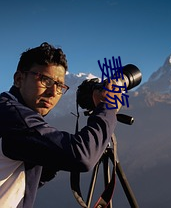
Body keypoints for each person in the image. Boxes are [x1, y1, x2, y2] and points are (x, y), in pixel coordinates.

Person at [0, 42, 122, 208]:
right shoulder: (14, 116)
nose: (52, 92)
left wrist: (55, 154)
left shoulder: (11, 111)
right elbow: (83, 156)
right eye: (46, 80)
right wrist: (108, 107)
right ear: (19, 79)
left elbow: (24, 179)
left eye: (60, 86)